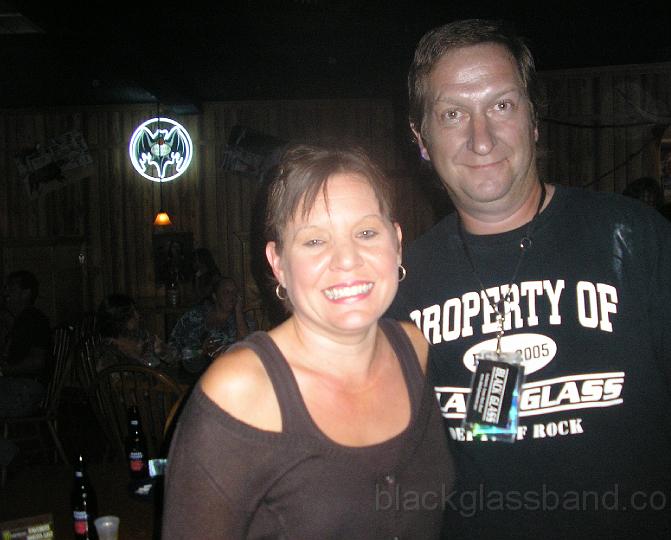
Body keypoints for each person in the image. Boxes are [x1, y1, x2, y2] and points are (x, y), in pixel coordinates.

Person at [387, 19, 671, 539]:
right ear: (421, 138)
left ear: (534, 120)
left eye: (502, 105)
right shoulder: (399, 283)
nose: (481, 139)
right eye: (453, 114)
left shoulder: (633, 241)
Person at [162, 145, 454, 538]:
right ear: (278, 263)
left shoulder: (416, 350)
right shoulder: (240, 390)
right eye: (315, 241)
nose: (347, 259)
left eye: (366, 233)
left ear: (396, 242)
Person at [168, 276, 250, 369]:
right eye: (226, 292)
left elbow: (246, 344)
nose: (232, 296)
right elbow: (176, 341)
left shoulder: (242, 320)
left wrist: (238, 311)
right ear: (215, 296)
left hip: (224, 369)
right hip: (188, 366)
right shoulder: (196, 315)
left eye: (235, 292)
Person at [0, 270, 51, 417]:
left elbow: (37, 362)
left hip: (26, 389)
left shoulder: (34, 320)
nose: (5, 292)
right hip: (15, 385)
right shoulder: (20, 320)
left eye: (11, 287)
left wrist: (4, 371)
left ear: (26, 293)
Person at [95, 294, 173, 372]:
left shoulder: (140, 335)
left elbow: (171, 357)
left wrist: (162, 351)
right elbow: (111, 378)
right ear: (120, 319)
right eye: (132, 313)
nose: (138, 316)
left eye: (136, 311)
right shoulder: (108, 352)